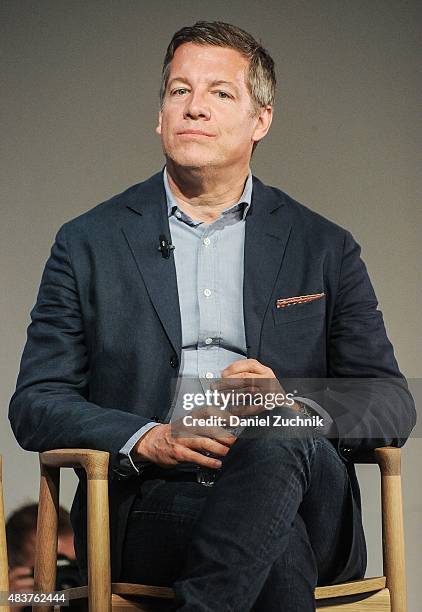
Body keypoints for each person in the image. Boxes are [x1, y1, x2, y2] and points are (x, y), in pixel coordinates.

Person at [9, 21, 415, 611]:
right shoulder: (88, 243)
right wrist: (148, 438)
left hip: (309, 488)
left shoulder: (323, 246)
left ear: (261, 120)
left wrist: (291, 404)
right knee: (277, 549)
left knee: (280, 434)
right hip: (158, 500)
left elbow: (393, 402)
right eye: (179, 91)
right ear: (159, 116)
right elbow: (36, 402)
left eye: (220, 93)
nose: (194, 108)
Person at [6, 503, 79, 610]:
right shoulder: (12, 601)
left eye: (74, 566)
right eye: (57, 568)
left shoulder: (96, 601)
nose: (69, 577)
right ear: (20, 575)